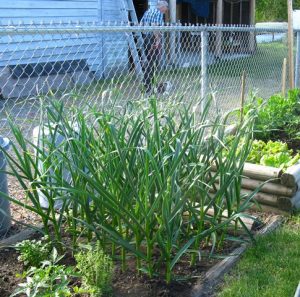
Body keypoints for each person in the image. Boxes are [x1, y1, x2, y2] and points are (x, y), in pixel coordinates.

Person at [140, 1, 169, 94]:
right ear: (162, 6)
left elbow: (141, 24)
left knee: (149, 61)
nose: (166, 10)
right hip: (153, 38)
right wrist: (157, 40)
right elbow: (155, 26)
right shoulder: (158, 13)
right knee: (153, 62)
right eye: (166, 7)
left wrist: (145, 35)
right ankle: (148, 86)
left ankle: (146, 83)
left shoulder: (147, 12)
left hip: (146, 38)